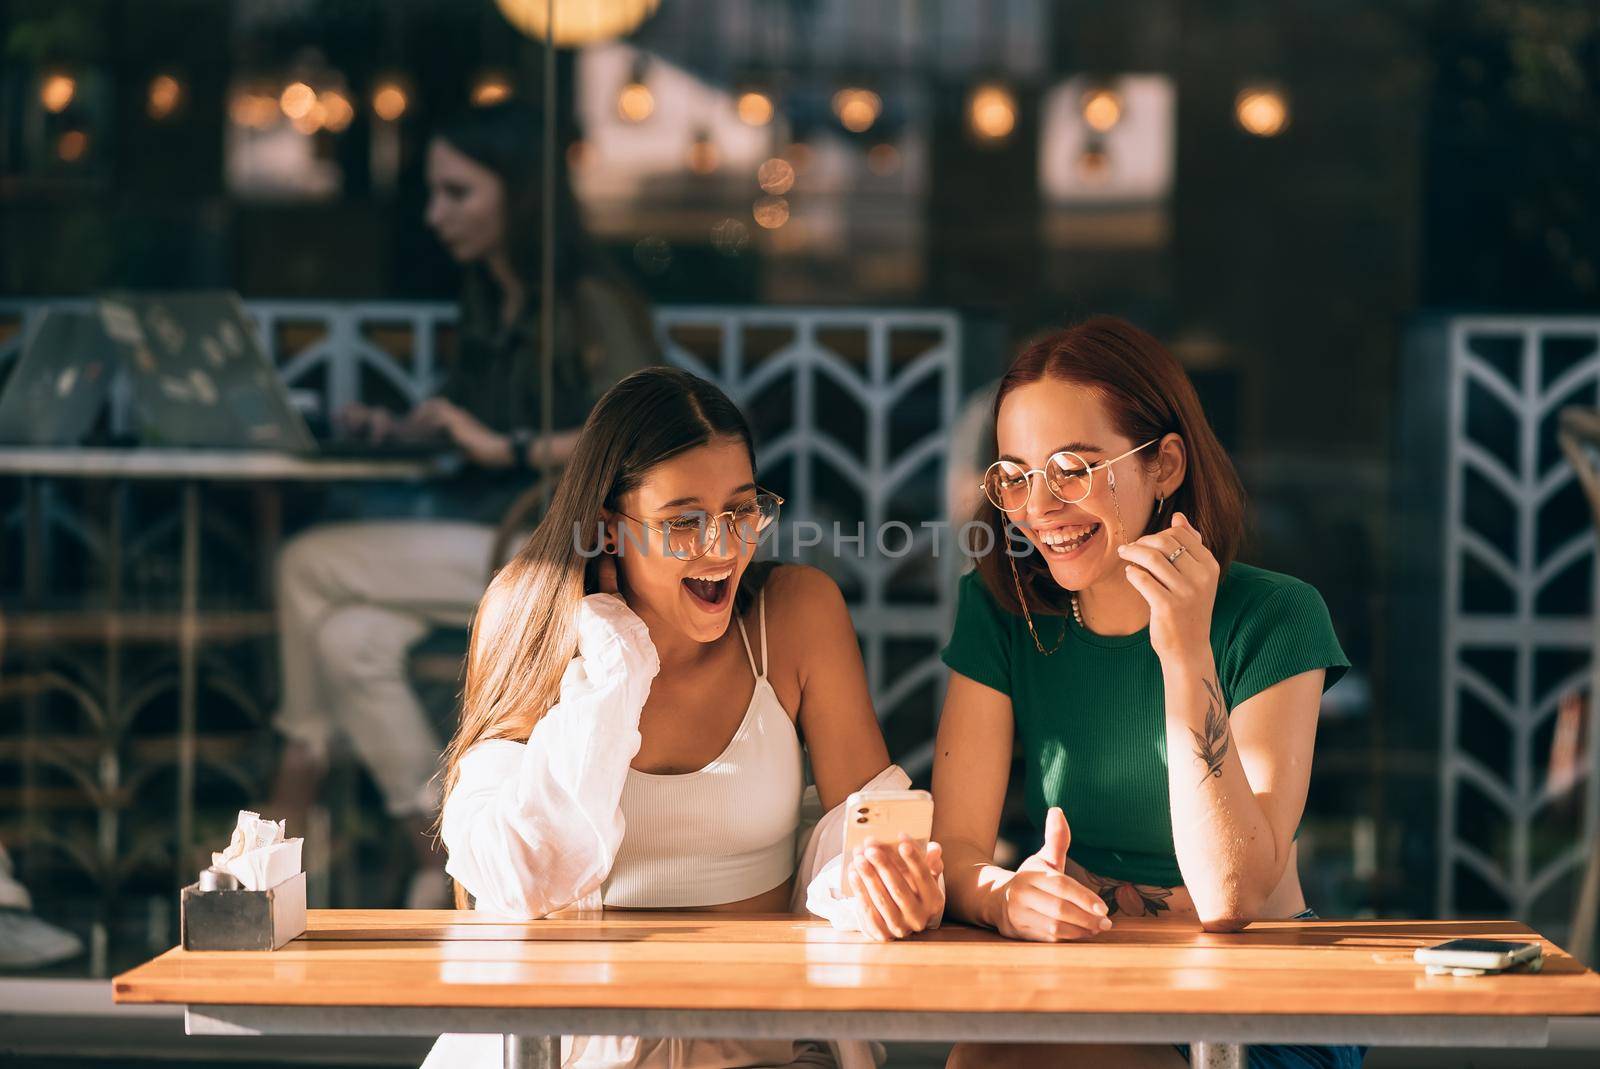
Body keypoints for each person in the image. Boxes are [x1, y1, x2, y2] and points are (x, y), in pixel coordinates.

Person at [424, 366, 944, 1069]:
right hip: (574, 1047)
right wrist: (615, 665)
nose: (724, 546)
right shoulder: (530, 616)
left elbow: (872, 818)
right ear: (610, 526)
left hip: (756, 1043)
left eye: (741, 510)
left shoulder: (794, 614)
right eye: (684, 522)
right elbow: (522, 875)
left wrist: (886, 881)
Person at [929, 317, 1360, 1069]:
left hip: (1259, 1003)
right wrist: (1004, 894)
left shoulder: (1276, 617)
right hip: (1092, 985)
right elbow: (959, 848)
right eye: (1016, 474)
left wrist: (1184, 647)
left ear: (1163, 465)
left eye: (1072, 467)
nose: (1038, 507)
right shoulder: (1003, 610)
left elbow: (1230, 897)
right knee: (988, 1056)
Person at [267, 102, 656, 909]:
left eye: (456, 192)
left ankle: (298, 761)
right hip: (479, 532)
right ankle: (441, 839)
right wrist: (413, 425)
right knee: (349, 637)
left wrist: (503, 448)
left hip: (549, 548)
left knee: (305, 562)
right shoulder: (490, 296)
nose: (435, 214)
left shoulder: (590, 298)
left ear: (515, 195)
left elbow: (643, 432)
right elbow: (472, 420)